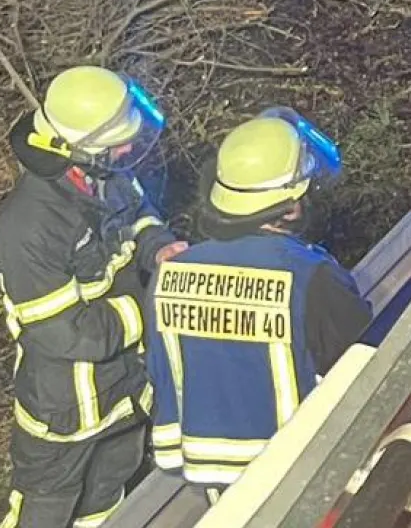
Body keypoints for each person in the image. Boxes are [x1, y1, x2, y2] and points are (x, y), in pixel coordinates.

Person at [0, 65, 188, 528]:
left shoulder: (105, 174)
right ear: (79, 148)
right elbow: (64, 334)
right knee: (45, 513)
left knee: (106, 500)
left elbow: (141, 216)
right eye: (119, 143)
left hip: (124, 390)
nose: (128, 149)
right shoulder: (29, 226)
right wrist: (153, 303)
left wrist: (162, 249)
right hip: (65, 412)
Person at [145, 108, 373, 493]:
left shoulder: (169, 274)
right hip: (297, 477)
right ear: (291, 206)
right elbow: (365, 369)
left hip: (213, 482)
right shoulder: (311, 277)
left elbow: (163, 375)